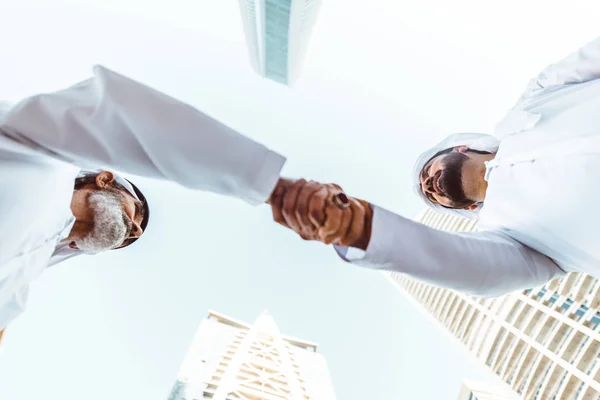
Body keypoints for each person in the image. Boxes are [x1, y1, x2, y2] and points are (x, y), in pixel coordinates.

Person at [272, 35, 600, 298]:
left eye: (428, 172)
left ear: (460, 147)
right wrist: (355, 227)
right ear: (468, 207)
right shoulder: (513, 238)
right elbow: (476, 269)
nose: (430, 186)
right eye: (432, 197)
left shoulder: (537, 97)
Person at [0, 66, 297, 332]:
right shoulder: (44, 156)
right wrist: (269, 185)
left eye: (127, 240)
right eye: (136, 212)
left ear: (78, 247)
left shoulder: (22, 280)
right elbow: (119, 117)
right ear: (105, 179)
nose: (136, 230)